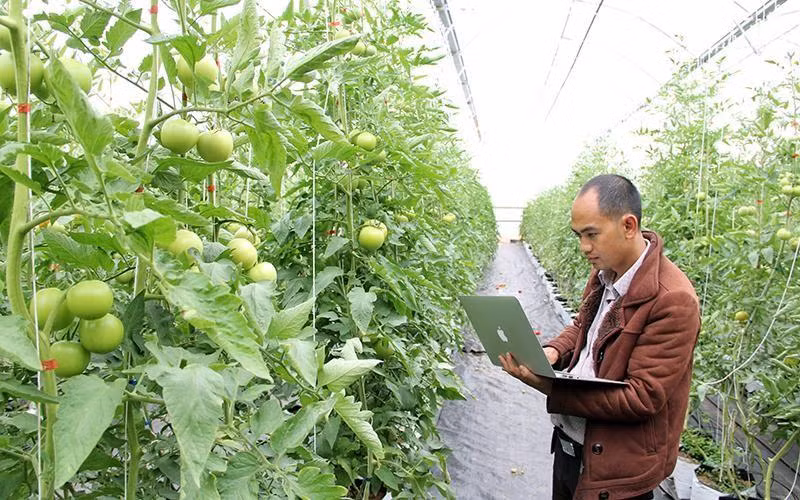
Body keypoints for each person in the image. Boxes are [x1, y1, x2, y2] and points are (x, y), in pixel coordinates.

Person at [499, 174, 701, 500]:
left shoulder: (672, 299)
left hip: (616, 471)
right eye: (579, 235)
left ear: (629, 226)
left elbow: (641, 397)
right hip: (571, 445)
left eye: (592, 234)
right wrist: (553, 352)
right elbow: (583, 325)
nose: (584, 247)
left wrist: (551, 388)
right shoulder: (606, 272)